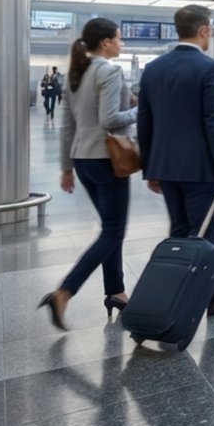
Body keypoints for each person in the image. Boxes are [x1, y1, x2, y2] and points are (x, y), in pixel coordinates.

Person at [136, 5, 214, 317]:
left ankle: (184, 291)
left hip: (166, 169)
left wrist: (151, 169)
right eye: (210, 29)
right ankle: (213, 297)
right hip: (199, 171)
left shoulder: (154, 68)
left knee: (180, 231)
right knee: (204, 237)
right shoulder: (209, 68)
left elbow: (144, 122)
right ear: (203, 31)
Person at [40, 17, 138, 330]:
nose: (121, 44)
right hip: (107, 160)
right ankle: (64, 291)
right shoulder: (108, 71)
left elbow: (68, 126)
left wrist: (67, 168)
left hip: (83, 160)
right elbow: (111, 119)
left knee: (111, 229)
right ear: (106, 42)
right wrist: (143, 109)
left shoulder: (76, 74)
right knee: (113, 231)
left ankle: (116, 292)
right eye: (119, 38)